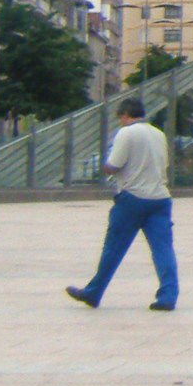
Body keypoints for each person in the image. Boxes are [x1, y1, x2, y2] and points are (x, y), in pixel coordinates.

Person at [66, 99, 177, 311]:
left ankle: (94, 292)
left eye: (121, 118)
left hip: (132, 198)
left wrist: (106, 164)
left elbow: (113, 166)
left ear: (126, 114)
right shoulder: (158, 134)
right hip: (160, 199)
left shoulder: (126, 133)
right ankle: (168, 296)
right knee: (163, 250)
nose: (121, 122)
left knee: (114, 249)